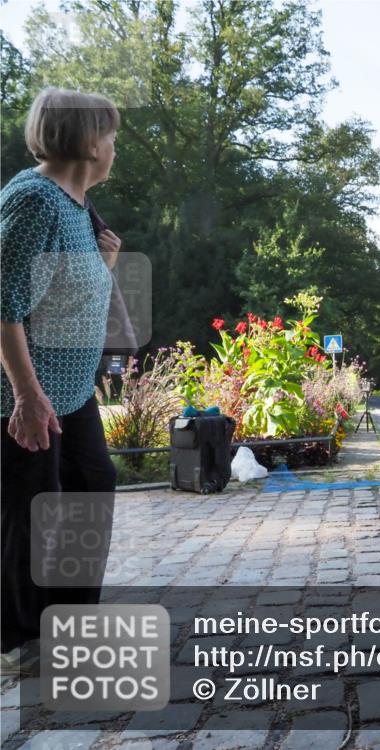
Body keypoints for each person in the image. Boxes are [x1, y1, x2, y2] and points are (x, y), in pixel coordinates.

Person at [1, 88, 121, 680]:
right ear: (90, 142)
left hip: (69, 393)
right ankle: (19, 642)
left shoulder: (77, 207)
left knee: (91, 487)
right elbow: (3, 303)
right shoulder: (35, 200)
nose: (115, 148)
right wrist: (26, 395)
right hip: (27, 395)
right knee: (31, 512)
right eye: (112, 136)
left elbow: (65, 296)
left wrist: (105, 263)